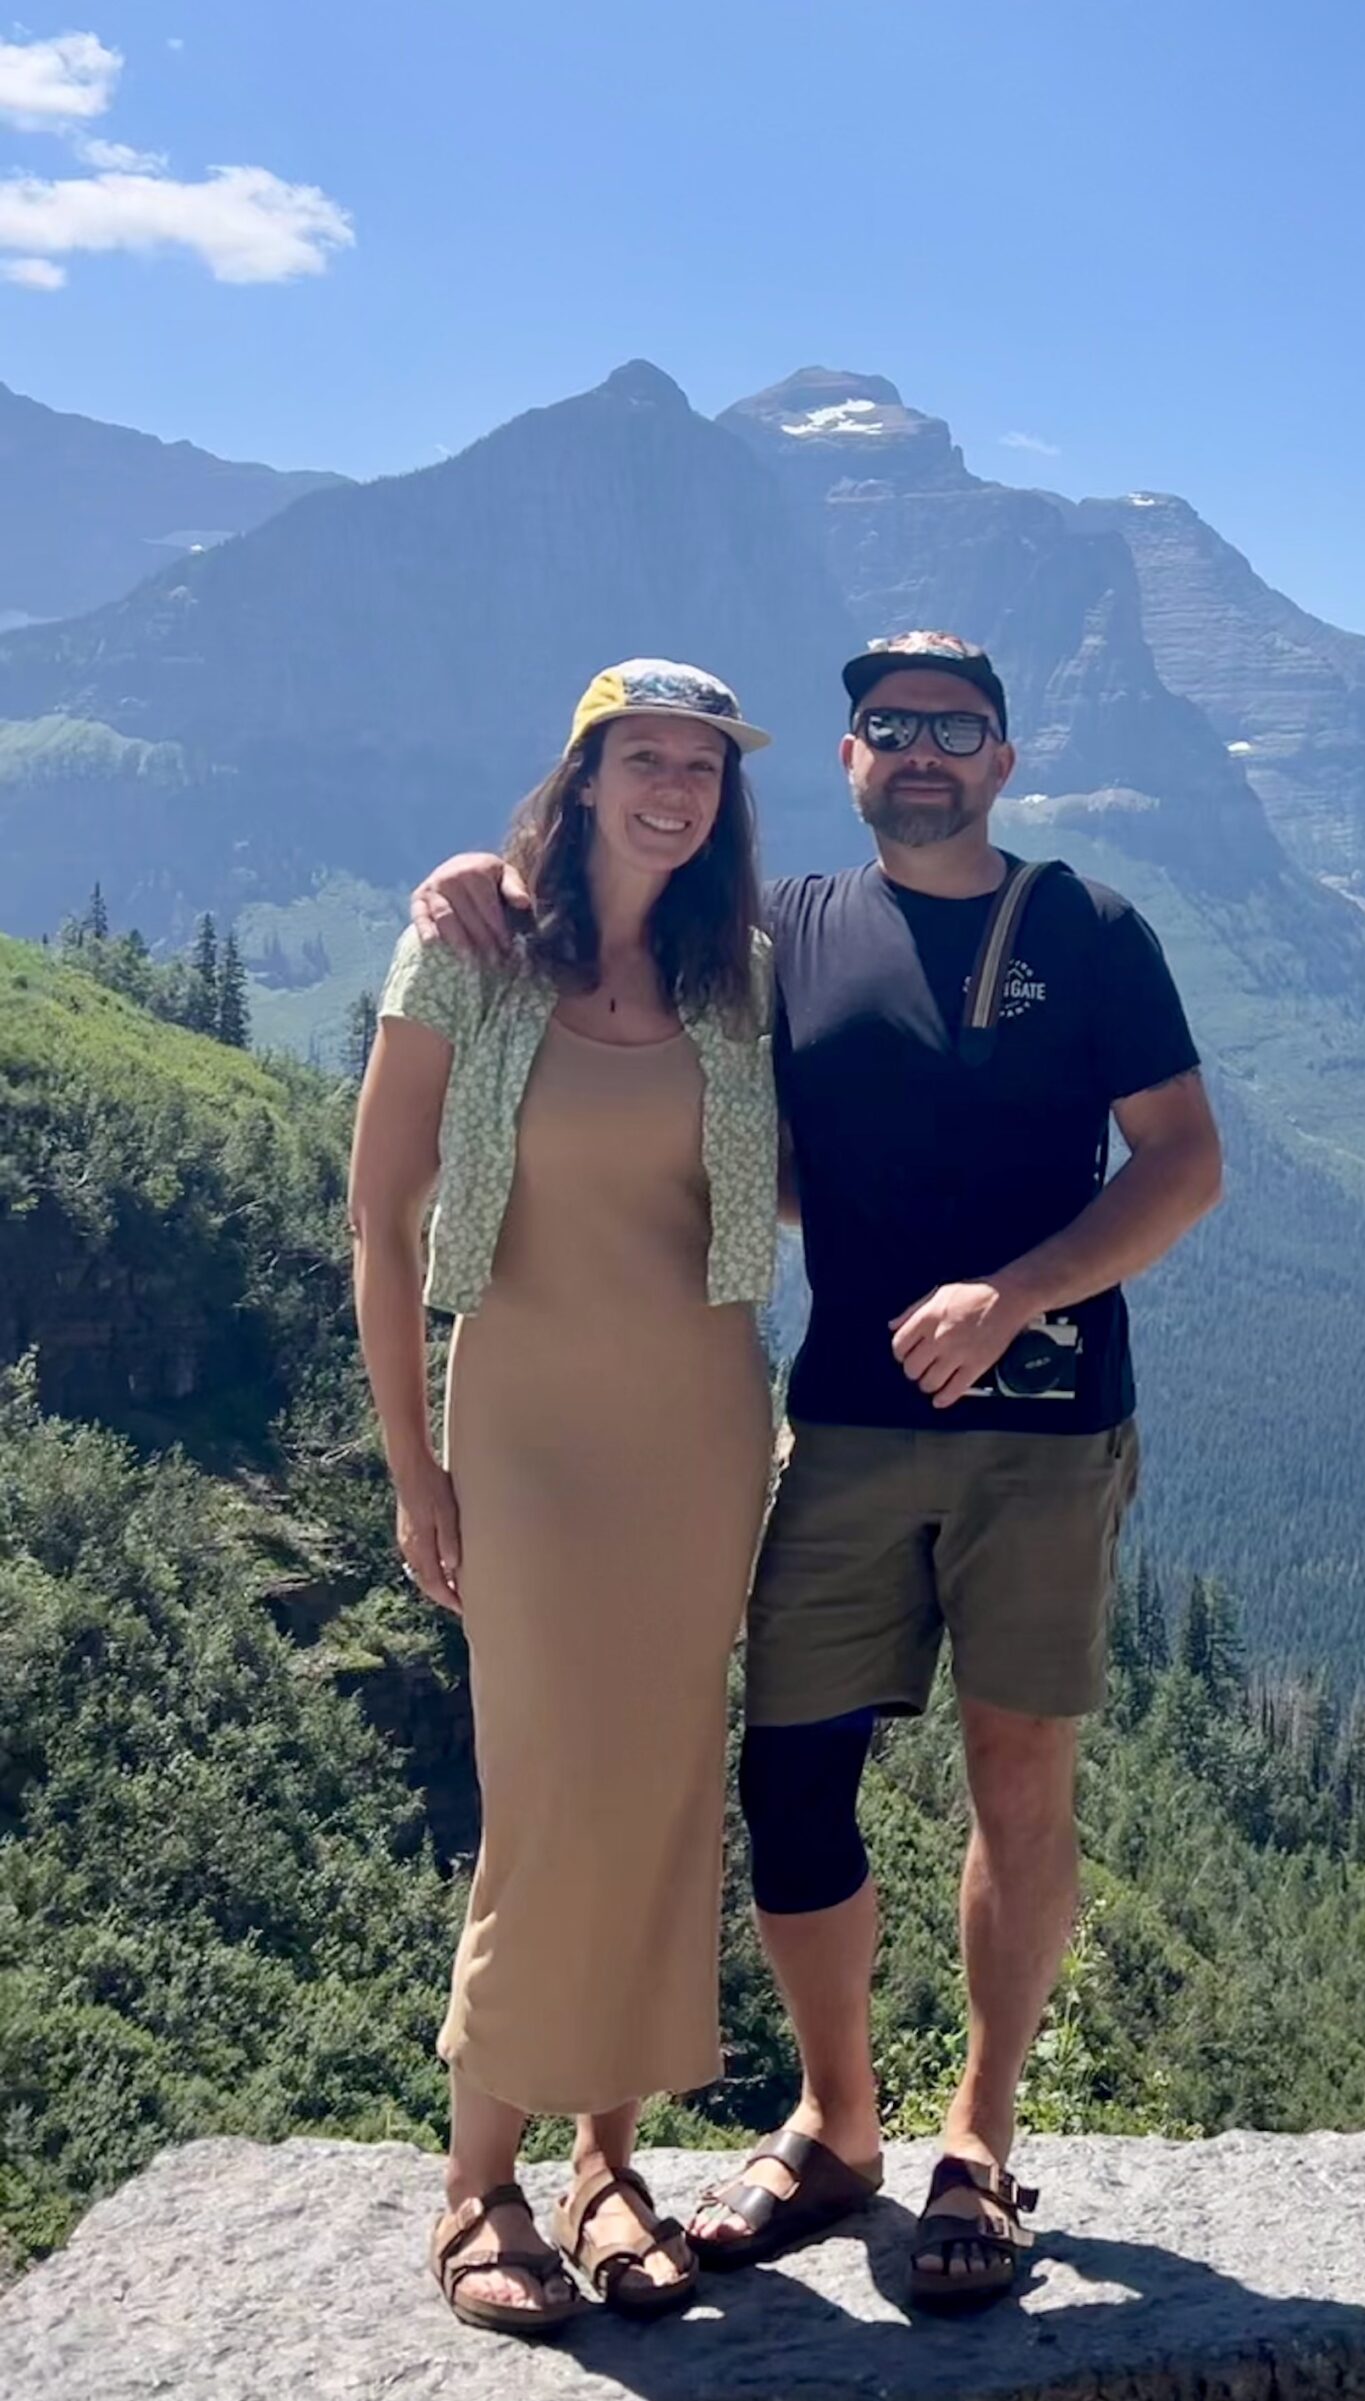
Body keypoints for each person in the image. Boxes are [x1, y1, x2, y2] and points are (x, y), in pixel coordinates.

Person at [411, 630, 1222, 2311]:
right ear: (848, 761)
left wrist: (1019, 1292)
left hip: (1049, 1431)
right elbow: (630, 968)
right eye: (886, 727)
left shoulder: (1088, 929)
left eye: (954, 728)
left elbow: (1186, 1161)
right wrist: (479, 879)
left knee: (1017, 1776)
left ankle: (978, 2138)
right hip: (843, 1419)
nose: (919, 751)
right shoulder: (773, 943)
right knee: (790, 1777)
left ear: (1005, 759)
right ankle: (838, 2122)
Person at [353, 660, 780, 2337]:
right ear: (588, 774)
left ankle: (610, 2165)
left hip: (701, 1426)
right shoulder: (464, 948)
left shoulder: (739, 979)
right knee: (542, 1792)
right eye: (646, 759)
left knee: (665, 1781)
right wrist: (413, 1461)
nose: (676, 787)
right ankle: (479, 2180)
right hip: (520, 1426)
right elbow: (382, 1218)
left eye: (703, 766)